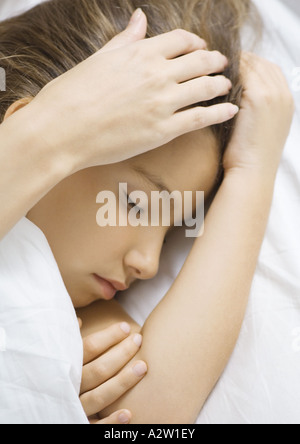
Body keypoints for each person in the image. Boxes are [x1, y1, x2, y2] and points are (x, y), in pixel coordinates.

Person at [0, 0, 294, 424]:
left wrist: (252, 176)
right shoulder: (40, 141)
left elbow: (144, 423)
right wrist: (49, 133)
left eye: (172, 229)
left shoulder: (67, 311)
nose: (149, 264)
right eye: (137, 204)